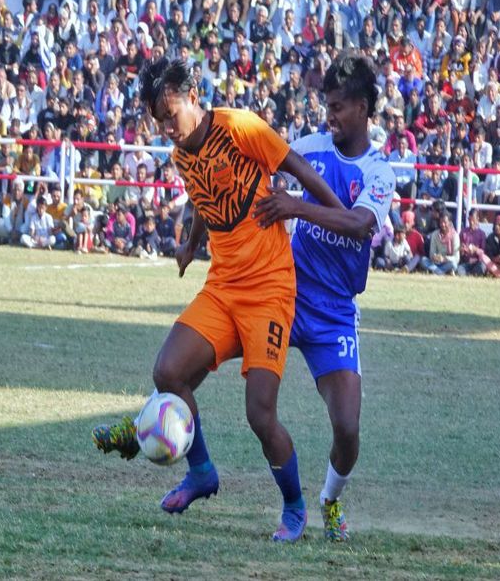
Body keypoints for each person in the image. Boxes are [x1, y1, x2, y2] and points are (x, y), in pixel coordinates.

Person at [92, 57, 344, 542]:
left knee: (259, 413)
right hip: (223, 286)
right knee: (168, 372)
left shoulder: (240, 127)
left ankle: (294, 508)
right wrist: (191, 242)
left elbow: (296, 168)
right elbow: (204, 196)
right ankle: (202, 472)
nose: (167, 128)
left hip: (269, 289)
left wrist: (336, 213)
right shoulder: (181, 154)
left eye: (171, 115)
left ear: (193, 97)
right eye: (158, 121)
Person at [250, 54, 395, 541]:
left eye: (337, 107)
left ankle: (330, 500)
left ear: (362, 108)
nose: (328, 115)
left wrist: (297, 207)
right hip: (287, 295)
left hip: (334, 314)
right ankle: (159, 407)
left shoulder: (378, 171)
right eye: (326, 105)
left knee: (348, 429)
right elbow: (262, 166)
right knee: (218, 353)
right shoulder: (309, 147)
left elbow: (359, 224)